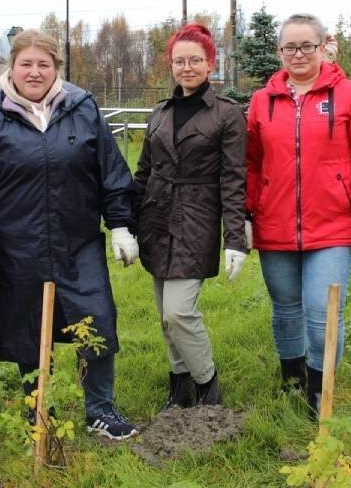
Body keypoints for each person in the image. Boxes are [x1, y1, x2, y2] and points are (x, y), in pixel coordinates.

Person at [0, 29, 140, 440]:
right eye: (26, 64)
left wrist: (121, 224)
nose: (34, 72)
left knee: (97, 323)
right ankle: (40, 409)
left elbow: (110, 170)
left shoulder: (82, 108)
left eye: (43, 64)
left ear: (56, 68)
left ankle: (100, 409)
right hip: (17, 247)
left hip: (79, 244)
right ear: (12, 68)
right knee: (28, 328)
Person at [245, 13, 351, 415]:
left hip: (334, 226)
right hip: (274, 225)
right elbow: (251, 163)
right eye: (290, 47)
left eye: (307, 45)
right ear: (280, 52)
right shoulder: (261, 102)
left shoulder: (350, 95)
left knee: (322, 310)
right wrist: (245, 214)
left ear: (323, 47)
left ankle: (319, 391)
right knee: (286, 309)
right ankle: (292, 381)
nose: (298, 54)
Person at [133, 23, 248, 410]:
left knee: (179, 312)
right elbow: (143, 172)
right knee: (165, 317)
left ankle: (207, 386)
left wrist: (236, 239)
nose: (187, 67)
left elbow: (233, 179)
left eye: (195, 60)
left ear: (210, 64)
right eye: (180, 61)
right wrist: (128, 225)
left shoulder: (226, 114)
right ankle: (179, 387)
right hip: (156, 217)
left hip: (197, 219)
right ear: (171, 65)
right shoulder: (160, 113)